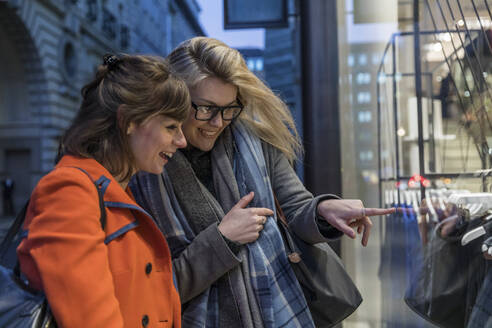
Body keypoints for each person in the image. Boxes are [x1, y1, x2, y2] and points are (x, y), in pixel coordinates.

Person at [130, 37, 395, 328]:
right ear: (175, 98)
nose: (218, 123)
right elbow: (150, 287)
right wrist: (222, 240)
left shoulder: (254, 140)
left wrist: (324, 210)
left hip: (278, 312)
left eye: (229, 109)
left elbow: (296, 208)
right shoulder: (143, 168)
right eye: (205, 109)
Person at [17, 54, 190, 327]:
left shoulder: (117, 191)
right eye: (171, 127)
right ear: (128, 121)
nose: (182, 141)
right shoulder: (70, 191)